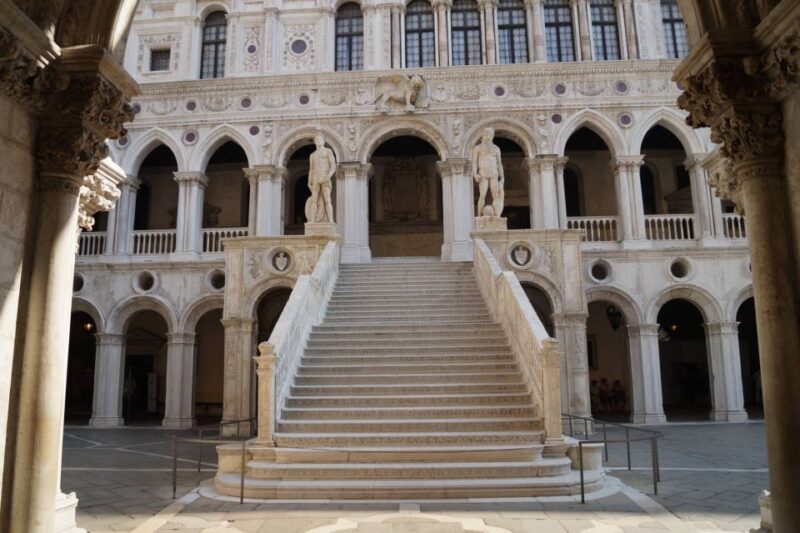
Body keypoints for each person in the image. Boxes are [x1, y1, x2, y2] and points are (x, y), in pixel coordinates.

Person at [470, 127, 504, 217]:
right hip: (483, 175)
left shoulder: (496, 149)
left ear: (492, 136)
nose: (487, 136)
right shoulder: (478, 148)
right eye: (485, 134)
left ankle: (497, 216)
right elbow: (474, 162)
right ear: (482, 135)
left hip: (494, 174)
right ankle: (479, 216)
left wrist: (502, 176)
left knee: (495, 196)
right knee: (482, 195)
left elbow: (499, 164)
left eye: (489, 134)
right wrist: (475, 174)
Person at [308, 133, 337, 223]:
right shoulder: (312, 155)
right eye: (316, 140)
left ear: (323, 141)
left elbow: (333, 165)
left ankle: (331, 220)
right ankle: (312, 220)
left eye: (320, 139)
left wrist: (328, 176)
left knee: (327, 199)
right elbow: (311, 169)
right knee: (314, 200)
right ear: (315, 142)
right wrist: (309, 181)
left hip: (325, 176)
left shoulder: (328, 151)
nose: (318, 141)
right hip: (315, 178)